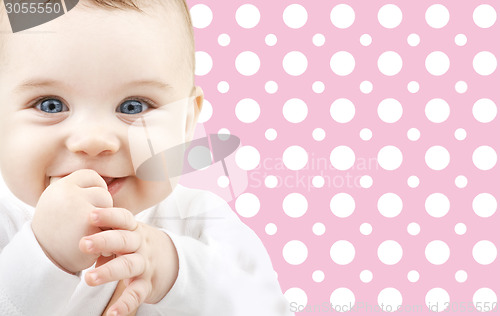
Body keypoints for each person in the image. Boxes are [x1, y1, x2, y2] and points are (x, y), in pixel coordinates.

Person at [0, 0, 292, 315]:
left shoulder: (199, 220)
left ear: (185, 123)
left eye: (133, 107)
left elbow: (269, 308)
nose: (94, 141)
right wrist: (43, 256)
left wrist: (174, 271)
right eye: (50, 105)